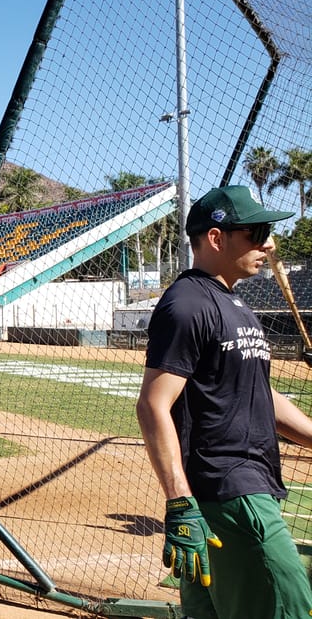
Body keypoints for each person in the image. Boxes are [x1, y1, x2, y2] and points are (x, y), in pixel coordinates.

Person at [136, 185, 312, 619]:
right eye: (256, 232)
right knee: (288, 605)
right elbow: (153, 405)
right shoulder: (188, 305)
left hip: (234, 493)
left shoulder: (232, 302)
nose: (268, 243)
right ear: (217, 238)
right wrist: (179, 501)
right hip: (230, 492)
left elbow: (257, 393)